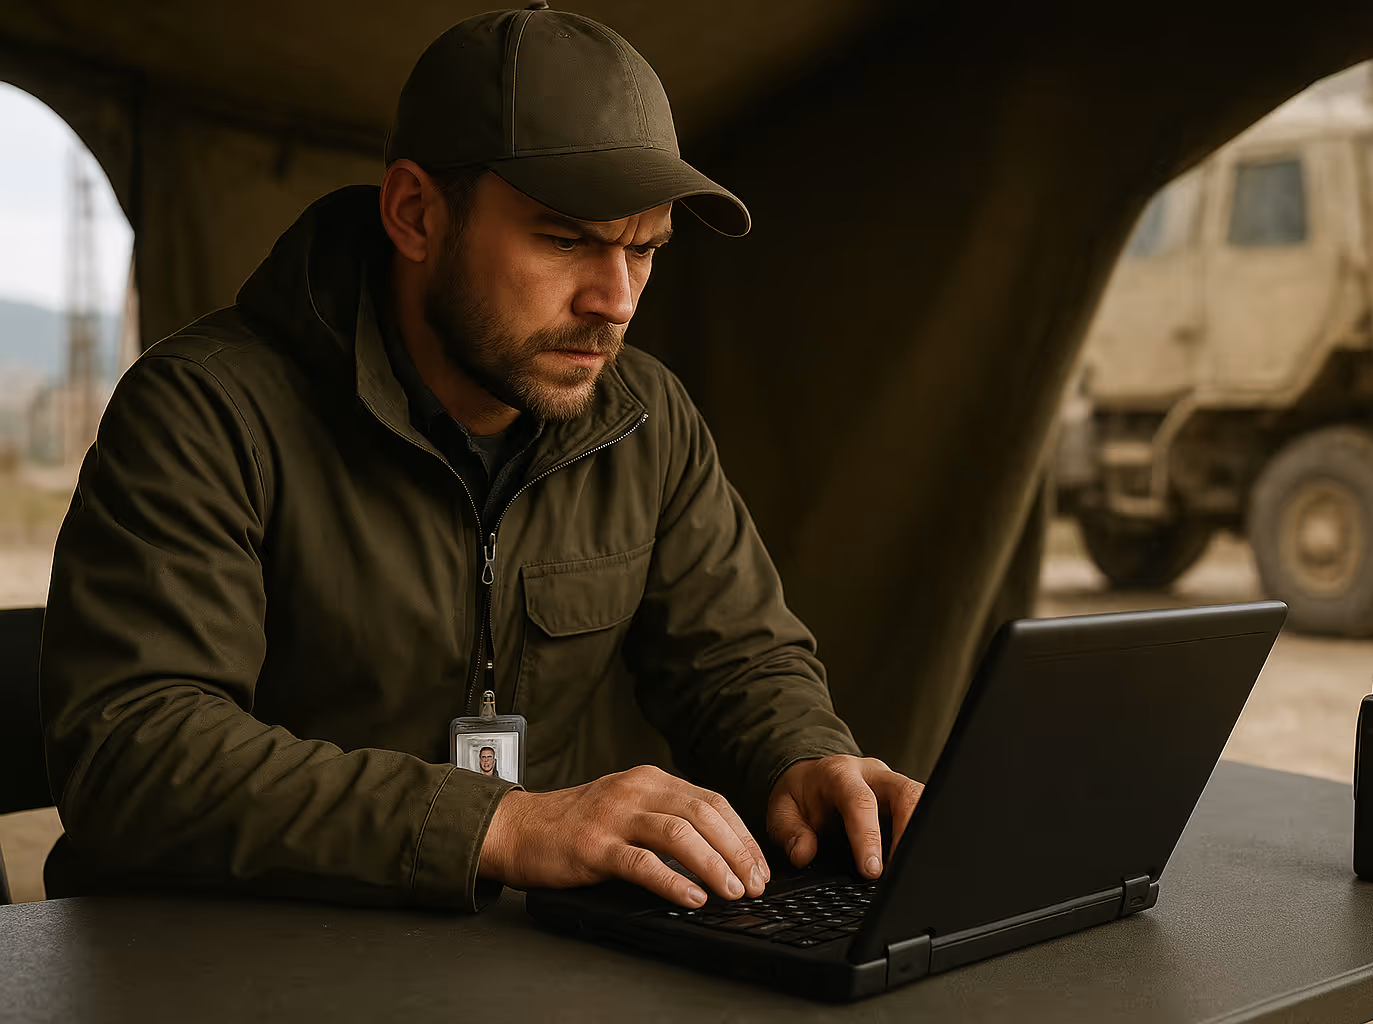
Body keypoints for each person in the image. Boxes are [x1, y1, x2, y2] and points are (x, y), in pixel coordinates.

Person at [40, 4, 923, 912]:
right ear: (416, 214)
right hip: (224, 967)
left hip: (519, 964)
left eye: (644, 249)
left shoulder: (647, 418)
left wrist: (808, 758)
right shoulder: (202, 411)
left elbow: (738, 665)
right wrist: (505, 826)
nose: (613, 300)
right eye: (566, 239)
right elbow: (135, 750)